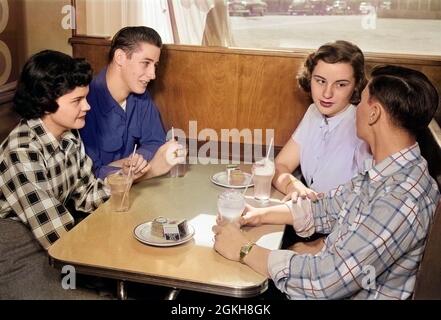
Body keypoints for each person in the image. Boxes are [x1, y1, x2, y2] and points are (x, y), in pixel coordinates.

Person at [213, 65, 440, 299]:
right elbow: (327, 208)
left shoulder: (401, 198)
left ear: (374, 113)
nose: (356, 109)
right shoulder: (385, 169)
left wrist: (243, 250)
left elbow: (326, 280)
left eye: (360, 101)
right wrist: (260, 215)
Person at [0, 50, 112, 298]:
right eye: (77, 101)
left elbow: (86, 196)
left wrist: (121, 186)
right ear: (46, 102)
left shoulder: (69, 136)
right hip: (13, 256)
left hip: (52, 243)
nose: (87, 106)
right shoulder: (21, 151)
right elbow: (56, 233)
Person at [273, 40, 371, 201]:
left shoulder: (362, 126)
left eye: (340, 84)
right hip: (307, 215)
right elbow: (280, 165)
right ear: (310, 77)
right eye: (320, 81)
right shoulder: (313, 112)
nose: (327, 94)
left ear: (356, 85)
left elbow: (368, 197)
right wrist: (294, 188)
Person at [80, 26, 169, 180]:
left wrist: (135, 161)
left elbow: (156, 142)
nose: (153, 75)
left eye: (155, 65)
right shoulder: (84, 103)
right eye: (146, 63)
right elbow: (91, 174)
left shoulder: (141, 96)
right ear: (120, 57)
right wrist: (130, 170)